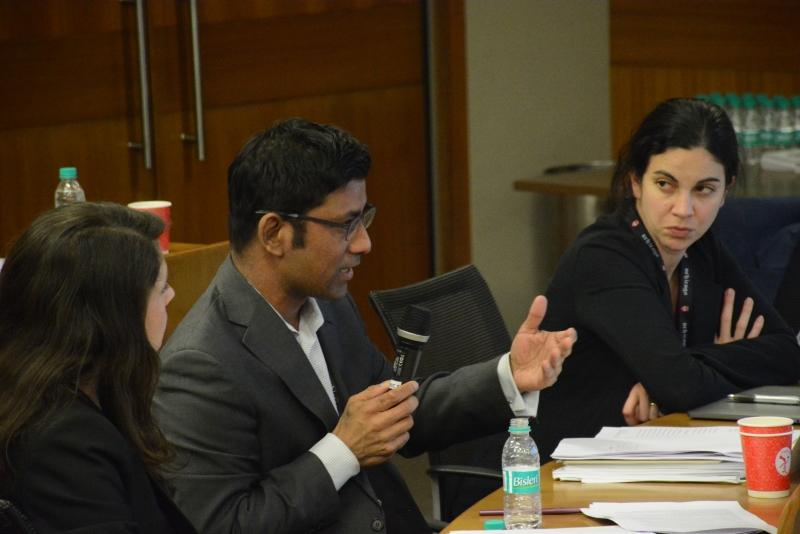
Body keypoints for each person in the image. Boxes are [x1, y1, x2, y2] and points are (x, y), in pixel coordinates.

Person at [154, 118, 577, 534]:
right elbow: (225, 523)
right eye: (344, 225)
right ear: (274, 233)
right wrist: (343, 450)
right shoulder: (200, 364)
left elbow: (396, 410)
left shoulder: (328, 305)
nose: (363, 243)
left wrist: (507, 374)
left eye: (363, 219)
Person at [533, 97, 800, 462]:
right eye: (665, 184)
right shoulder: (604, 257)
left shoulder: (701, 248)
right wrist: (687, 375)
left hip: (649, 456)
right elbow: (682, 385)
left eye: (704, 189)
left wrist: (692, 365)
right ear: (635, 182)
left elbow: (786, 351)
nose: (684, 210)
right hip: (560, 471)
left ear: (727, 191)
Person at [0, 202, 197, 534]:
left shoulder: (74, 392)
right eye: (162, 288)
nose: (171, 295)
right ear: (117, 318)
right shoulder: (65, 443)